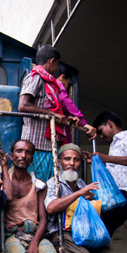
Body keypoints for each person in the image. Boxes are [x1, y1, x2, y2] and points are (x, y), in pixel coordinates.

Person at [18, 45, 96, 181]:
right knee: (38, 186)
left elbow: (54, 111)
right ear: (52, 61)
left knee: (47, 188)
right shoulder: (35, 77)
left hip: (48, 146)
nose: (57, 67)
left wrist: (67, 119)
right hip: (36, 145)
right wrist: (53, 114)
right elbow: (23, 105)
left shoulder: (50, 83)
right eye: (57, 63)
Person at [83, 111, 127, 237]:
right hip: (116, 196)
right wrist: (95, 162)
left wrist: (107, 158)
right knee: (101, 232)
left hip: (126, 195)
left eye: (101, 131)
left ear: (110, 124)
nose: (101, 136)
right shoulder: (114, 145)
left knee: (91, 213)